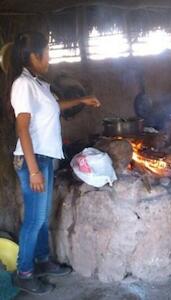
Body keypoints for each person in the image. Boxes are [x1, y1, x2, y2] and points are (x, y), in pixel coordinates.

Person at [5, 32, 101, 295]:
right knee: (34, 220)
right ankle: (24, 273)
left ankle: (42, 260)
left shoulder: (36, 83)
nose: (49, 57)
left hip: (44, 157)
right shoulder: (22, 85)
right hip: (31, 159)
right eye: (46, 52)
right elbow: (22, 128)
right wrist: (33, 170)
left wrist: (81, 100)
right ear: (34, 56)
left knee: (42, 217)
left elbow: (54, 107)